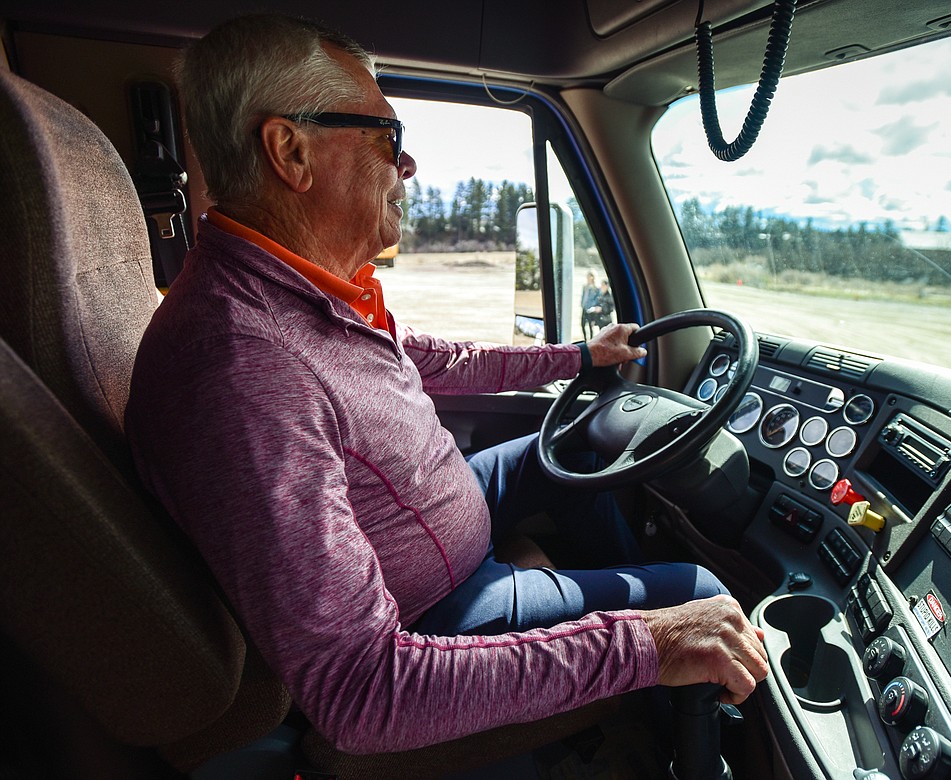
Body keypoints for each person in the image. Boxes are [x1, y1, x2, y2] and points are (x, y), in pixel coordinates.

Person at [124, 14, 767, 756]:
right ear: (290, 151)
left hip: (443, 512)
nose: (409, 165)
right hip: (442, 603)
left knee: (581, 441)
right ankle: (662, 736)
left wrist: (577, 359)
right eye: (386, 137)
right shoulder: (246, 366)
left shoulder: (306, 294)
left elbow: (440, 362)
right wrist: (643, 644)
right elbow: (361, 691)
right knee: (699, 595)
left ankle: (605, 633)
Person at [580, 270, 600, 339]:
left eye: (589, 276)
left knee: (590, 325)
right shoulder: (585, 286)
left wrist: (592, 306)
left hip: (591, 309)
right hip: (584, 308)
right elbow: (583, 296)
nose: (587, 278)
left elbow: (597, 298)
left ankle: (591, 338)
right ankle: (585, 338)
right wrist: (582, 303)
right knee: (582, 324)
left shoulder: (596, 288)